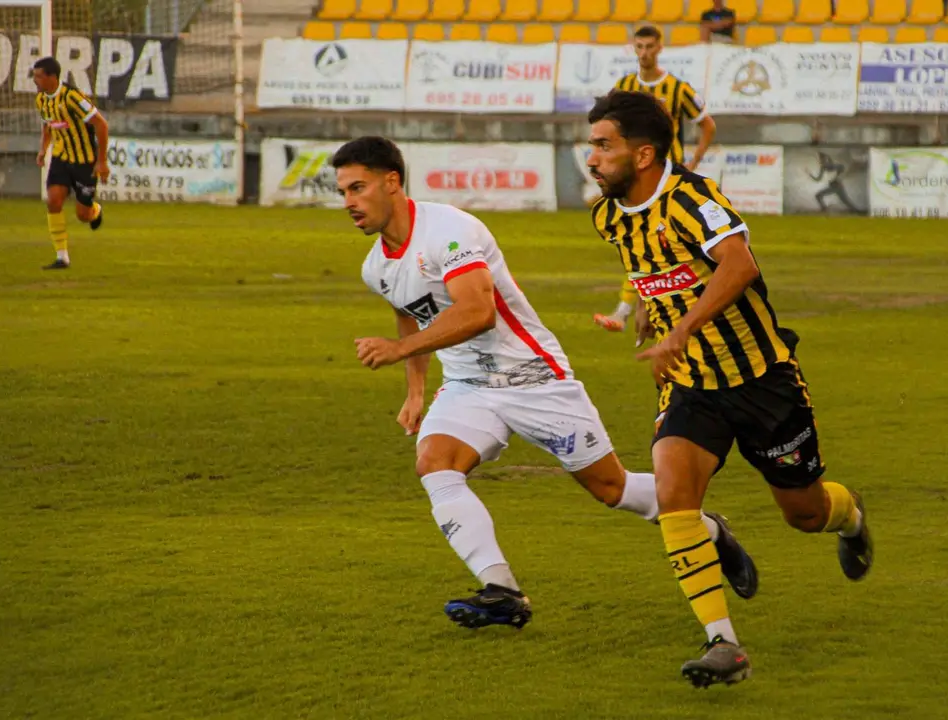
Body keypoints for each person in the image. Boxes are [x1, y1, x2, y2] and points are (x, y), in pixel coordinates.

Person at [336, 136, 758, 631]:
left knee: (611, 488)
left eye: (357, 188)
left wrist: (398, 350)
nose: (348, 202)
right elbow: (411, 316)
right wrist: (414, 392)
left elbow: (478, 313)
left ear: (391, 182)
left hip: (536, 379)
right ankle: (503, 591)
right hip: (469, 385)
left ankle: (709, 531)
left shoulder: (449, 229)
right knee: (435, 464)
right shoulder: (376, 266)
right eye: (342, 191)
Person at [586, 91, 873, 688]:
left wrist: (680, 328)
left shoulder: (693, 198)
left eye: (602, 145)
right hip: (693, 387)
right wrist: (648, 309)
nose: (591, 157)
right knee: (673, 496)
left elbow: (738, 265)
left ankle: (849, 518)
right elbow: (653, 270)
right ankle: (724, 645)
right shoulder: (608, 216)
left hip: (764, 381)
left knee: (804, 512)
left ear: (642, 155)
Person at [594, 25, 717, 335]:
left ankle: (641, 310)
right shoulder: (623, 87)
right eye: (639, 46)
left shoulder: (677, 88)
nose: (644, 53)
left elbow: (707, 125)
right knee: (639, 242)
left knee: (662, 245)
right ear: (633, 49)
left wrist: (694, 161)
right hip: (634, 182)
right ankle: (637, 310)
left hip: (666, 181)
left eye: (650, 46)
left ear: (659, 48)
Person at [33, 57, 108, 270]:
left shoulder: (72, 97)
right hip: (61, 158)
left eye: (38, 76)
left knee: (83, 215)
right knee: (53, 201)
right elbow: (49, 126)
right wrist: (43, 149)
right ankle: (62, 257)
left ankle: (94, 210)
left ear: (51, 77)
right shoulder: (41, 100)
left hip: (85, 161)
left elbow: (101, 125)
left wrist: (101, 162)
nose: (35, 80)